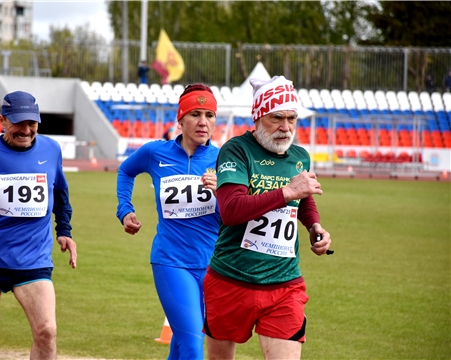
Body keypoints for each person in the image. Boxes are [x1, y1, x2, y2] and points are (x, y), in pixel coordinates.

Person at [203, 76, 332, 360]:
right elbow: (231, 210)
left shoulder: (300, 156)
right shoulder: (236, 150)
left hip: (284, 283)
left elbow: (305, 198)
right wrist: (286, 191)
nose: (285, 127)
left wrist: (314, 226)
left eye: (291, 118)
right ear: (259, 117)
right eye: (276, 118)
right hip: (231, 280)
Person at [0, 91, 77, 360]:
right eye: (18, 123)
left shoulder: (51, 149)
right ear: (2, 121)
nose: (25, 130)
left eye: (31, 123)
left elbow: (61, 196)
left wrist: (64, 231)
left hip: (33, 258)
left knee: (46, 331)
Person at [116, 83, 220, 359]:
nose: (203, 122)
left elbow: (234, 215)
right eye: (195, 114)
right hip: (171, 261)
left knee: (183, 342)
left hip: (213, 266)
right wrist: (125, 209)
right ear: (181, 119)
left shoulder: (224, 160)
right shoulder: (155, 153)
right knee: (193, 343)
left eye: (209, 115)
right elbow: (126, 171)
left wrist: (220, 191)